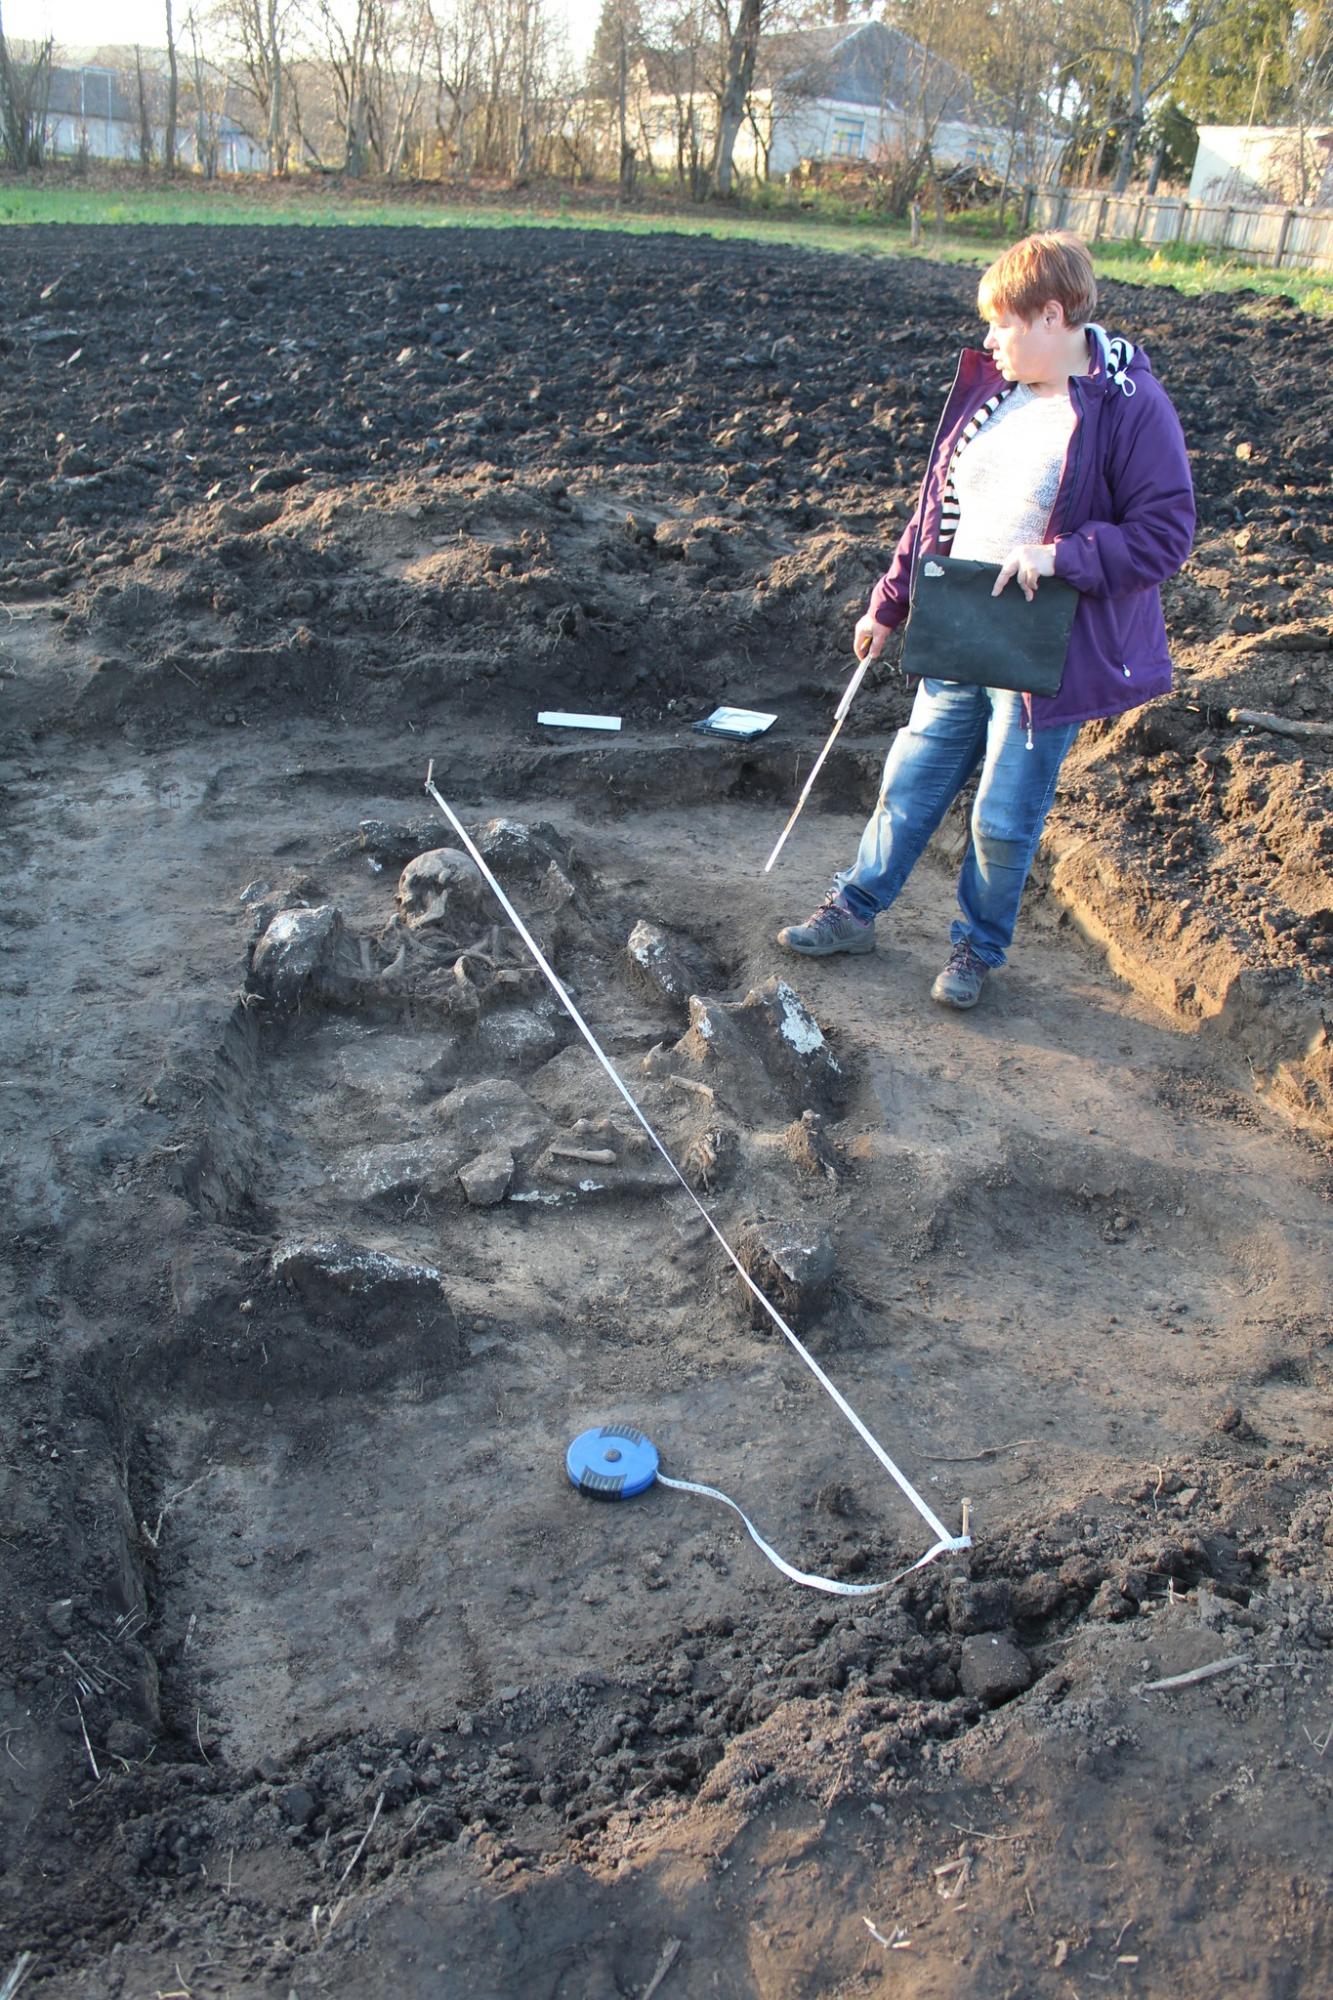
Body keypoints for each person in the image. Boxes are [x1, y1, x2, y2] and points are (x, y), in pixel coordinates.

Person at [777, 229, 1195, 1010]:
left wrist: (1063, 556)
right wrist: (889, 602)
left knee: (1003, 817)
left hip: (1042, 649)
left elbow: (1164, 535)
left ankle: (974, 952)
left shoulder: (1127, 407)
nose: (988, 339)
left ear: (1051, 315)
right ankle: (854, 910)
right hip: (956, 626)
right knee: (908, 782)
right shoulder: (990, 395)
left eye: (1001, 322)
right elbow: (934, 510)